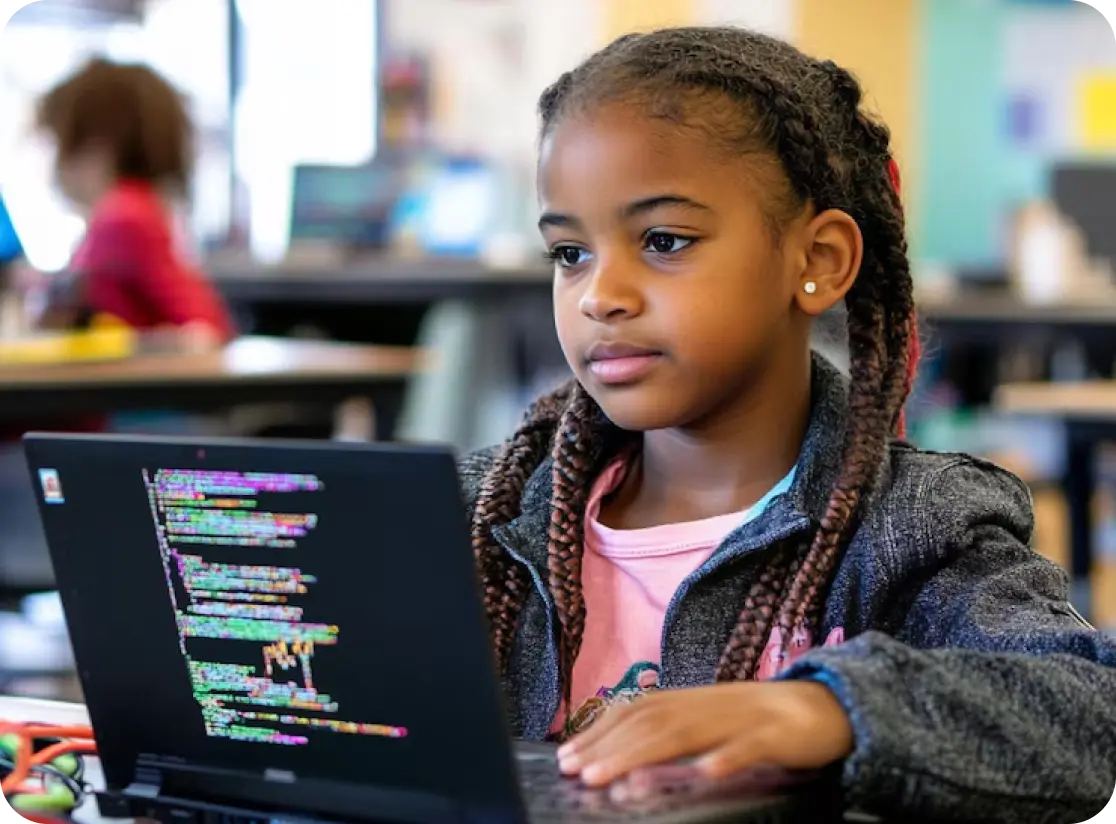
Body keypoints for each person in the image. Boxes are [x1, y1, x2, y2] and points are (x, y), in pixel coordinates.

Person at [460, 26, 1116, 822]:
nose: (601, 294)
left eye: (664, 240)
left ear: (820, 260)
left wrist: (825, 710)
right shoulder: (479, 511)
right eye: (569, 253)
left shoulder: (910, 528)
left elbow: (1091, 714)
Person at [28, 57, 233, 349]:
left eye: (55, 141)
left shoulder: (123, 213)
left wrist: (136, 345)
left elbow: (204, 327)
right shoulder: (129, 209)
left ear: (95, 145)